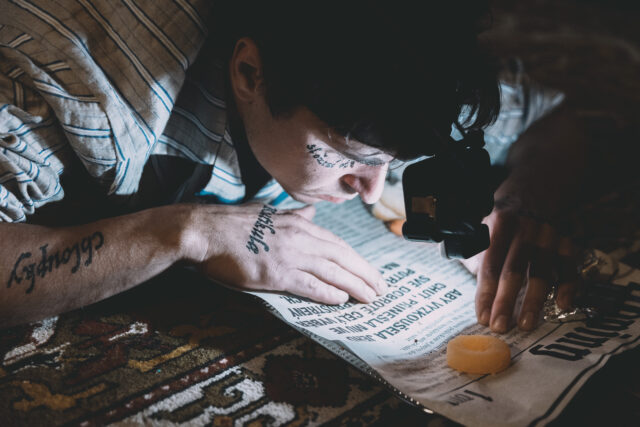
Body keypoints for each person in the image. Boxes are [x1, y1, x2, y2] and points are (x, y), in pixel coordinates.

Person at [0, 0, 585, 332]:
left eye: (391, 163)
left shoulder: (417, 71)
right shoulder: (79, 80)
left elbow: (562, 117)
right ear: (250, 73)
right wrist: (185, 232)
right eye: (349, 156)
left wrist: (520, 198)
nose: (371, 189)